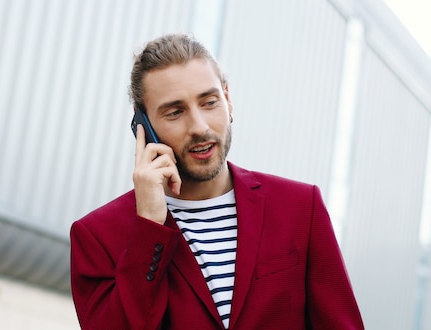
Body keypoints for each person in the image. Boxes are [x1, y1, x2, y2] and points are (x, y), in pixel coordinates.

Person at [70, 34, 364, 330]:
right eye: (175, 112)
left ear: (228, 99)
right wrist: (149, 230)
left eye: (209, 102)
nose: (199, 127)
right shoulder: (97, 236)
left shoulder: (301, 208)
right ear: (142, 125)